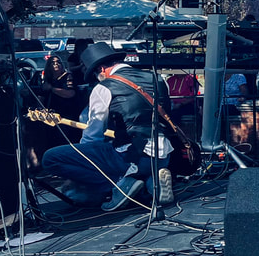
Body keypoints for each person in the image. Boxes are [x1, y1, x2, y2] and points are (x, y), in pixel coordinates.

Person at [40, 42, 175, 210]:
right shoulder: (158, 78)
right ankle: (150, 182)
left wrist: (85, 161)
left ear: (101, 69)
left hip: (132, 156)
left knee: (51, 158)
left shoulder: (104, 87)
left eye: (95, 73)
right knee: (118, 151)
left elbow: (93, 134)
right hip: (165, 155)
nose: (96, 77)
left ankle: (120, 185)